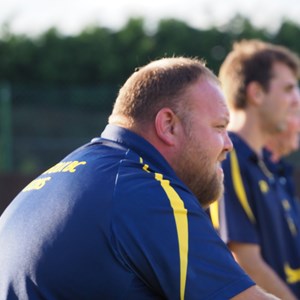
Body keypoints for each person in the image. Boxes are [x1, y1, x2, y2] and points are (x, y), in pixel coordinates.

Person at [0, 57, 276, 299]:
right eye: (219, 127)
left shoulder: (67, 177)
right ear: (168, 126)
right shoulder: (145, 191)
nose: (228, 144)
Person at [210, 39, 300, 299]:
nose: (296, 99)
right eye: (288, 88)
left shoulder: (264, 165)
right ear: (256, 93)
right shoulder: (229, 156)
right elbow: (245, 261)